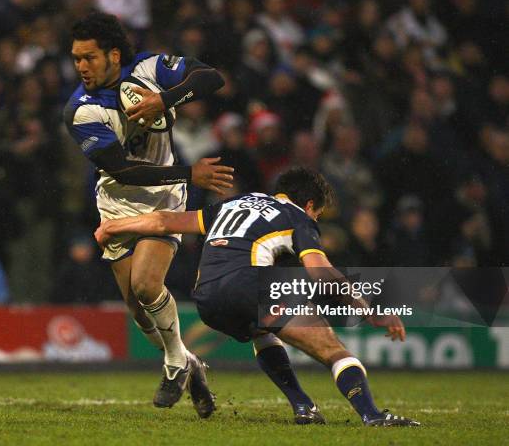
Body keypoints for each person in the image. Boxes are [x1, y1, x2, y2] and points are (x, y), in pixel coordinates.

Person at [95, 168, 420, 427]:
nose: (315, 220)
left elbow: (165, 221)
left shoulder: (233, 203)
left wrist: (113, 226)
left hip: (206, 297)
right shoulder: (297, 217)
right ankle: (372, 415)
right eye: (318, 214)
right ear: (309, 205)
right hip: (249, 285)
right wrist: (369, 309)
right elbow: (320, 270)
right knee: (333, 350)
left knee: (261, 330)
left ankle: (303, 406)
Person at [63, 12, 228, 416]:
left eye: (89, 57)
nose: (81, 67)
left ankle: (174, 363)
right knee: (138, 310)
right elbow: (122, 170)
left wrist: (165, 98)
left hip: (164, 198)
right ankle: (190, 362)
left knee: (146, 284)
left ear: (114, 55)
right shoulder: (82, 110)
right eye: (76, 59)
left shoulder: (150, 69)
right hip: (118, 200)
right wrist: (192, 172)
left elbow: (212, 79)